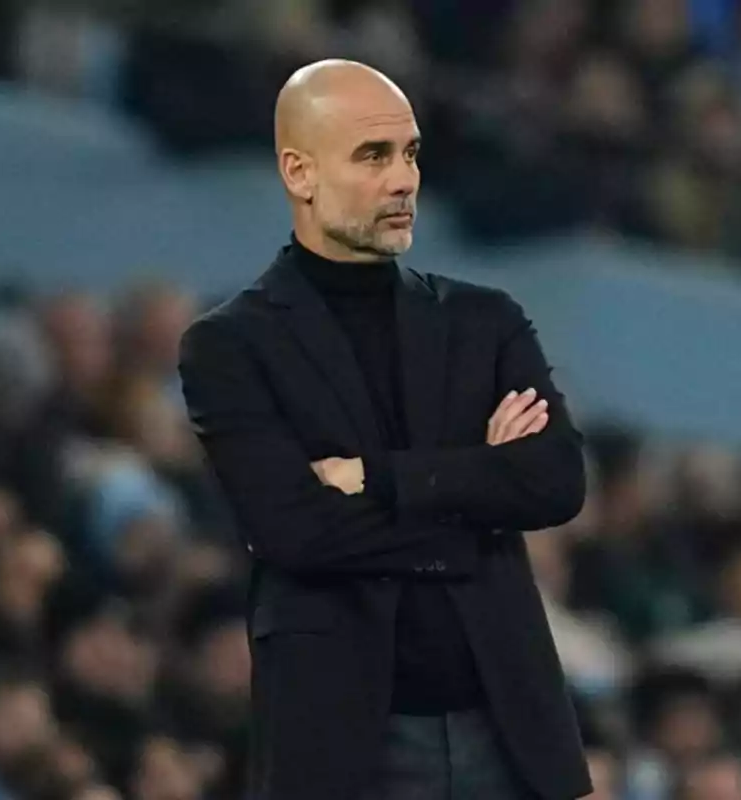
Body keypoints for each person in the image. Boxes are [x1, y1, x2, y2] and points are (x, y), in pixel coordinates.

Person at [177, 59, 592, 800]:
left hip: (509, 722)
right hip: (346, 737)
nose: (403, 180)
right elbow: (294, 532)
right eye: (373, 155)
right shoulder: (230, 344)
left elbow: (556, 482)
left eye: (410, 153)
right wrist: (476, 490)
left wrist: (376, 478)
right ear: (299, 173)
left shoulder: (484, 319)